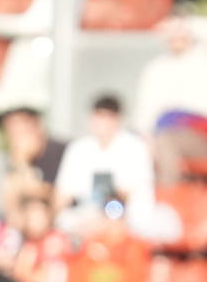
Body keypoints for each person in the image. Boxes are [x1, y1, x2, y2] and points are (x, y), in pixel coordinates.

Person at [133, 14, 207, 185]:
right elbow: (145, 111)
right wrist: (146, 139)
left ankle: (168, 197)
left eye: (181, 34)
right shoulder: (156, 68)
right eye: (172, 35)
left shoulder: (205, 59)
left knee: (166, 141)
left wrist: (185, 22)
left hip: (200, 134)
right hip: (163, 132)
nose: (177, 39)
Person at [53, 94, 157, 238]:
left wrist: (103, 220)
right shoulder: (78, 149)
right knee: (63, 221)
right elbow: (62, 195)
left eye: (109, 117)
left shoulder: (134, 147)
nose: (103, 122)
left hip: (128, 217)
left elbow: (122, 196)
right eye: (99, 116)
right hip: (87, 218)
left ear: (118, 119)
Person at [0, 106, 66, 225]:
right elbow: (10, 198)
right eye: (11, 133)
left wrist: (23, 163)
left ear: (37, 128)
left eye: (21, 132)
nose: (16, 140)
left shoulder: (57, 151)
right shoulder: (15, 154)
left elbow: (49, 194)